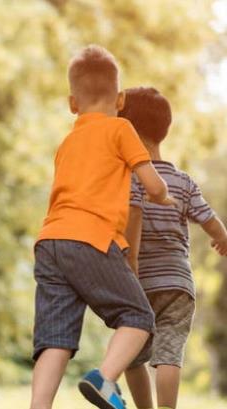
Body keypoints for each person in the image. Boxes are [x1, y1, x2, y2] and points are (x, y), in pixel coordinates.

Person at [29, 45, 174, 409]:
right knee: (138, 317)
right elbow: (153, 184)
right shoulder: (120, 128)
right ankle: (105, 379)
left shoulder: (67, 142)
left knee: (55, 339)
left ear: (71, 103)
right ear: (120, 98)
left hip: (50, 242)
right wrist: (164, 196)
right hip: (90, 239)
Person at [120, 87, 227, 409]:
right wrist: (221, 238)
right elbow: (211, 221)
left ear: (127, 132)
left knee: (131, 355)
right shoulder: (183, 181)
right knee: (170, 353)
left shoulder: (129, 179)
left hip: (139, 281)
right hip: (179, 284)